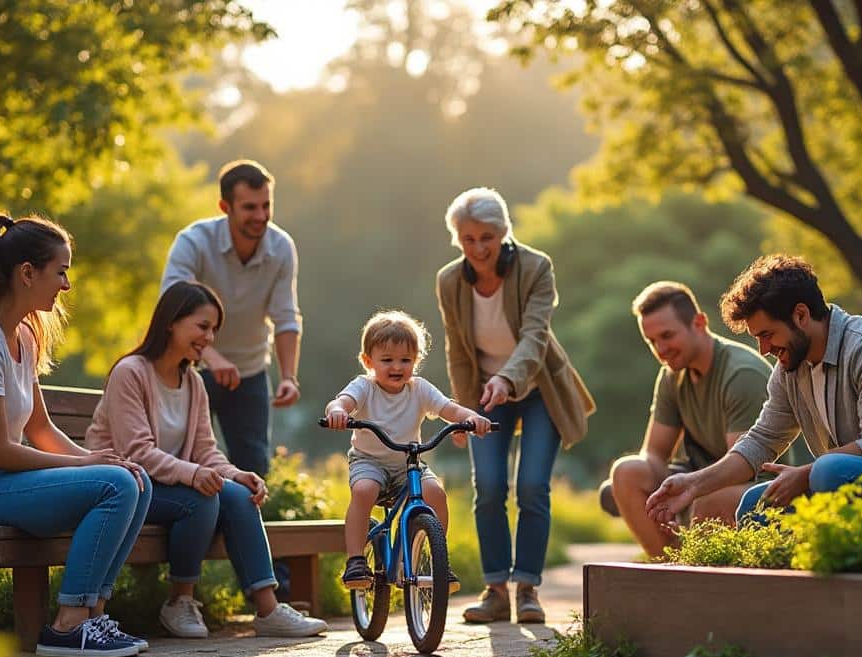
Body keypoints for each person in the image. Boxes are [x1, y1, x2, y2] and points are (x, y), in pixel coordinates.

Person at [0, 213, 152, 657]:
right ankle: (69, 625)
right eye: (61, 272)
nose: (66, 285)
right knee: (115, 484)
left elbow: (39, 429)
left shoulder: (22, 336)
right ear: (27, 273)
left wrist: (96, 459)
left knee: (134, 478)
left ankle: (92, 615)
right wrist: (86, 465)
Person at [646, 254, 862, 527]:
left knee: (828, 471)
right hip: (852, 481)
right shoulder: (790, 368)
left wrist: (805, 474)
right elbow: (760, 442)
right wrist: (693, 484)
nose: (763, 349)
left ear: (800, 315)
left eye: (767, 334)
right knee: (754, 508)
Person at [86, 281, 328, 639]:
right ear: (172, 322)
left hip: (167, 486)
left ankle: (269, 610)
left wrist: (235, 473)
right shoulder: (130, 372)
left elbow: (204, 449)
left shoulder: (194, 383)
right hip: (126, 486)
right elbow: (136, 452)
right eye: (203, 326)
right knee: (201, 498)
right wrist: (194, 474)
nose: (210, 338)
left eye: (214, 330)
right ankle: (180, 600)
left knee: (239, 495)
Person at [436, 187, 595, 625]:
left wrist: (508, 378)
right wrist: (463, 409)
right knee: (488, 487)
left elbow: (535, 336)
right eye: (468, 239)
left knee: (531, 487)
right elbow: (457, 350)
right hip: (485, 394)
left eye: (487, 237)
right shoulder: (449, 280)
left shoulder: (535, 267)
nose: (478, 248)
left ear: (504, 232)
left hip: (539, 388)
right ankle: (495, 592)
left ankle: (527, 589)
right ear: (458, 239)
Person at [160, 159, 301, 597]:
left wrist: (289, 376)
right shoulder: (194, 242)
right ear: (225, 207)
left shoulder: (281, 248)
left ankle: (263, 589)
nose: (260, 216)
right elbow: (172, 305)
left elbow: (286, 317)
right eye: (249, 207)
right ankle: (180, 585)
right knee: (183, 462)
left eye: (266, 206)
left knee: (254, 472)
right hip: (191, 369)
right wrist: (211, 356)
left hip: (251, 372)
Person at [600, 281, 773, 558]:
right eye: (652, 341)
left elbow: (738, 469)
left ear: (699, 323)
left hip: (756, 486)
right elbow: (654, 454)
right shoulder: (672, 375)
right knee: (626, 472)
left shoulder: (741, 374)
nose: (661, 349)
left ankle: (694, 569)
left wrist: (689, 490)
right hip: (700, 477)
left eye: (667, 335)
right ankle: (668, 567)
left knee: (709, 502)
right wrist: (660, 497)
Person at [324, 310, 492, 593]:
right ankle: (355, 560)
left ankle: (433, 557)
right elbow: (341, 402)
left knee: (435, 493)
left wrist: (471, 418)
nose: (397, 367)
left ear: (416, 360)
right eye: (387, 360)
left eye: (406, 360)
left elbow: (448, 408)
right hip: (369, 461)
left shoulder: (419, 389)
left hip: (409, 464)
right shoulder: (364, 387)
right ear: (368, 361)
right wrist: (338, 412)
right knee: (364, 490)